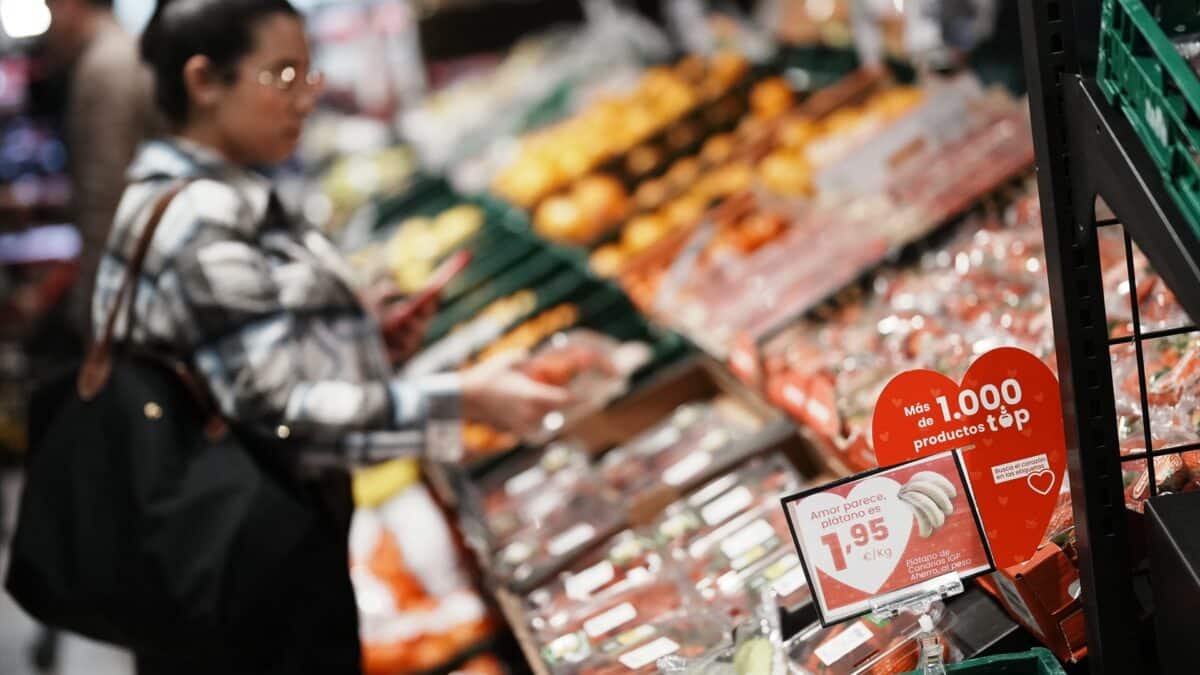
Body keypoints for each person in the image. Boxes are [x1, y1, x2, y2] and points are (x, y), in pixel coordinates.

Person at [101, 0, 572, 671]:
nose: (305, 97)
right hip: (246, 583)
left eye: (309, 73)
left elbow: (237, 363)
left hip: (241, 558)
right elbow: (282, 414)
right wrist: (464, 397)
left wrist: (360, 341)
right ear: (205, 81)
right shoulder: (199, 219)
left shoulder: (200, 193)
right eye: (283, 75)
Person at [41, 0, 163, 343]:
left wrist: (92, 308)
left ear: (70, 6)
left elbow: (105, 198)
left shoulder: (105, 66)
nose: (49, 27)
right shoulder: (121, 51)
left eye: (49, 10)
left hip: (127, 291)